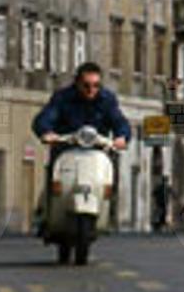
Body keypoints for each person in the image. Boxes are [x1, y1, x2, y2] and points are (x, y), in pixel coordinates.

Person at [31, 62, 131, 231]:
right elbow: (46, 116)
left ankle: (109, 210)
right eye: (86, 85)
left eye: (96, 85)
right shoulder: (63, 98)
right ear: (77, 83)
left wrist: (121, 136)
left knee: (110, 174)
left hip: (97, 151)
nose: (91, 90)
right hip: (66, 149)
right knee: (53, 174)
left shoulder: (107, 99)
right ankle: (47, 213)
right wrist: (46, 132)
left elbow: (119, 120)